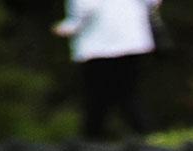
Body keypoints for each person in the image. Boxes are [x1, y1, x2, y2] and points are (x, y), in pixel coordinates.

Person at [56, 0, 160, 140]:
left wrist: (68, 27)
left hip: (98, 47)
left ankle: (92, 141)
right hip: (134, 41)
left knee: (97, 99)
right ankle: (147, 136)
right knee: (128, 95)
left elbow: (86, 8)